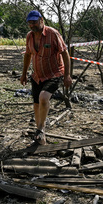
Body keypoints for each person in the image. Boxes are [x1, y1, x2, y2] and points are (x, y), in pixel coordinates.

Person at [20, 10, 72, 145]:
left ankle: (41, 128)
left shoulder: (52, 34)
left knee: (43, 97)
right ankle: (39, 133)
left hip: (54, 73)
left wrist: (67, 75)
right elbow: (27, 55)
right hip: (37, 75)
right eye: (30, 23)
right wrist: (24, 73)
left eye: (34, 22)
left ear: (41, 20)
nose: (32, 25)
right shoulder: (29, 36)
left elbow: (65, 54)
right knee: (37, 103)